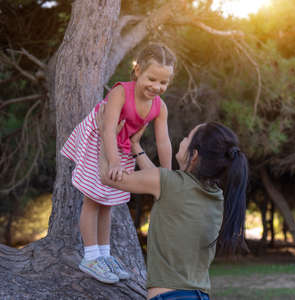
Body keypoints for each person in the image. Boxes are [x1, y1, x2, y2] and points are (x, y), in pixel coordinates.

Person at [97, 113, 249, 299]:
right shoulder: (215, 196)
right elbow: (159, 180)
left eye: (188, 137)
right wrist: (135, 147)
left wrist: (106, 134)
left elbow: (106, 177)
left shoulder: (170, 184)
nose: (183, 140)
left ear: (194, 155)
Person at [60, 43, 177, 284]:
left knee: (108, 202)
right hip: (101, 140)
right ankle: (90, 257)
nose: (156, 87)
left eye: (163, 83)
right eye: (151, 78)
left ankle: (104, 254)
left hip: (121, 146)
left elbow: (163, 142)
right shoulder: (121, 92)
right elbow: (107, 128)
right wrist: (112, 161)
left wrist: (168, 175)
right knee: (93, 198)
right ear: (137, 71)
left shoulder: (159, 107)